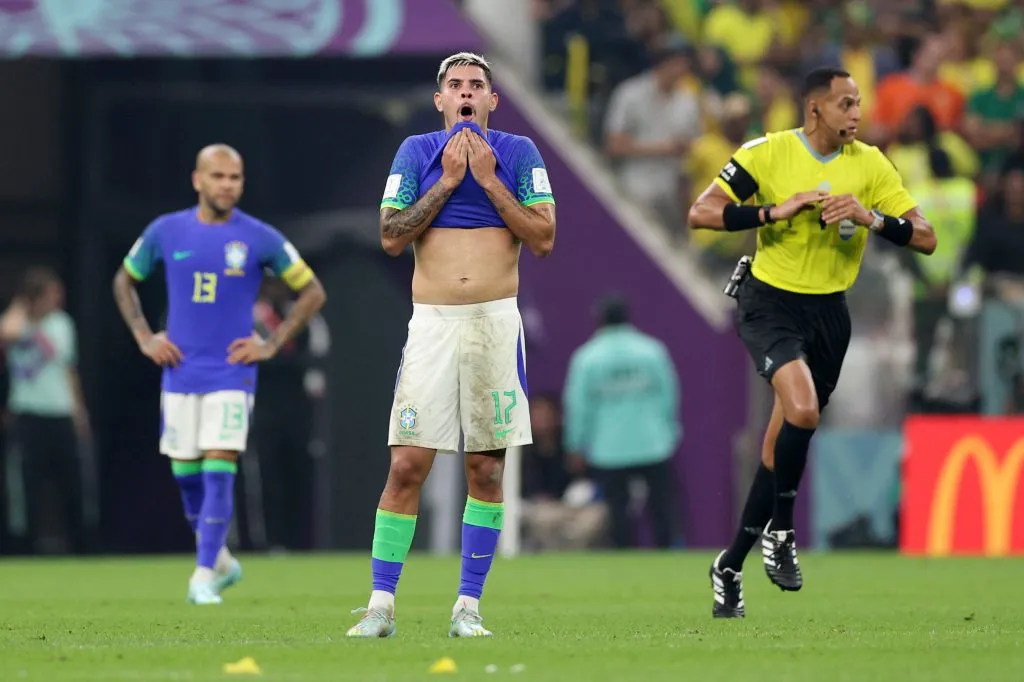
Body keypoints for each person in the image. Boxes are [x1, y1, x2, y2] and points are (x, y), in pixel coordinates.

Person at [687, 67, 936, 618]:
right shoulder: (767, 152)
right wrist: (770, 211)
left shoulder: (870, 164)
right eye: (846, 103)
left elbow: (926, 237)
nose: (857, 112)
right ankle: (782, 530)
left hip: (829, 314)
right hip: (770, 303)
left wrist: (872, 218)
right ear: (815, 107)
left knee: (778, 448)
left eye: (859, 103)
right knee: (802, 410)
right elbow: (701, 212)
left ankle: (729, 566)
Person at [347, 52, 556, 639]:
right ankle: (381, 606)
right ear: (440, 100)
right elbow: (390, 236)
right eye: (456, 85)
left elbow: (543, 236)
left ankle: (468, 607)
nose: (466, 92)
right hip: (433, 324)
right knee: (407, 463)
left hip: (494, 322)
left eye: (476, 85)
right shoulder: (416, 153)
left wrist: (487, 180)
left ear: (492, 100)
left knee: (485, 469)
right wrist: (447, 181)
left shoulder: (518, 153)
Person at [112, 144, 326, 604]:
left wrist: (271, 343)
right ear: (198, 180)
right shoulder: (166, 230)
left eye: (235, 177)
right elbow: (124, 280)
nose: (227, 185)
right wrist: (144, 337)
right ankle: (221, 559)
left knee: (219, 464)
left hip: (232, 371)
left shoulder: (259, 237)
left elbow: (312, 291)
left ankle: (203, 573)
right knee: (186, 473)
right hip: (179, 370)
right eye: (218, 176)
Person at [562, 295, 681, 549]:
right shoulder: (652, 350)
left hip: (609, 446)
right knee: (661, 503)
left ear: (600, 320)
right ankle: (666, 551)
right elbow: (669, 394)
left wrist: (575, 444)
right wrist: (670, 430)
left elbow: (578, 404)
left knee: (618, 507)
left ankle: (624, 553)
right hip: (653, 442)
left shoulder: (588, 357)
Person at [0, 267, 91, 554]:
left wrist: (79, 412)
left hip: (60, 413)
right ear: (35, 297)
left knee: (72, 484)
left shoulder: (61, 324)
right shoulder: (16, 322)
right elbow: (7, 333)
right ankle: (24, 547)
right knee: (27, 486)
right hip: (28, 415)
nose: (57, 300)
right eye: (51, 294)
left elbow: (69, 369)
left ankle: (82, 546)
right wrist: (22, 307)